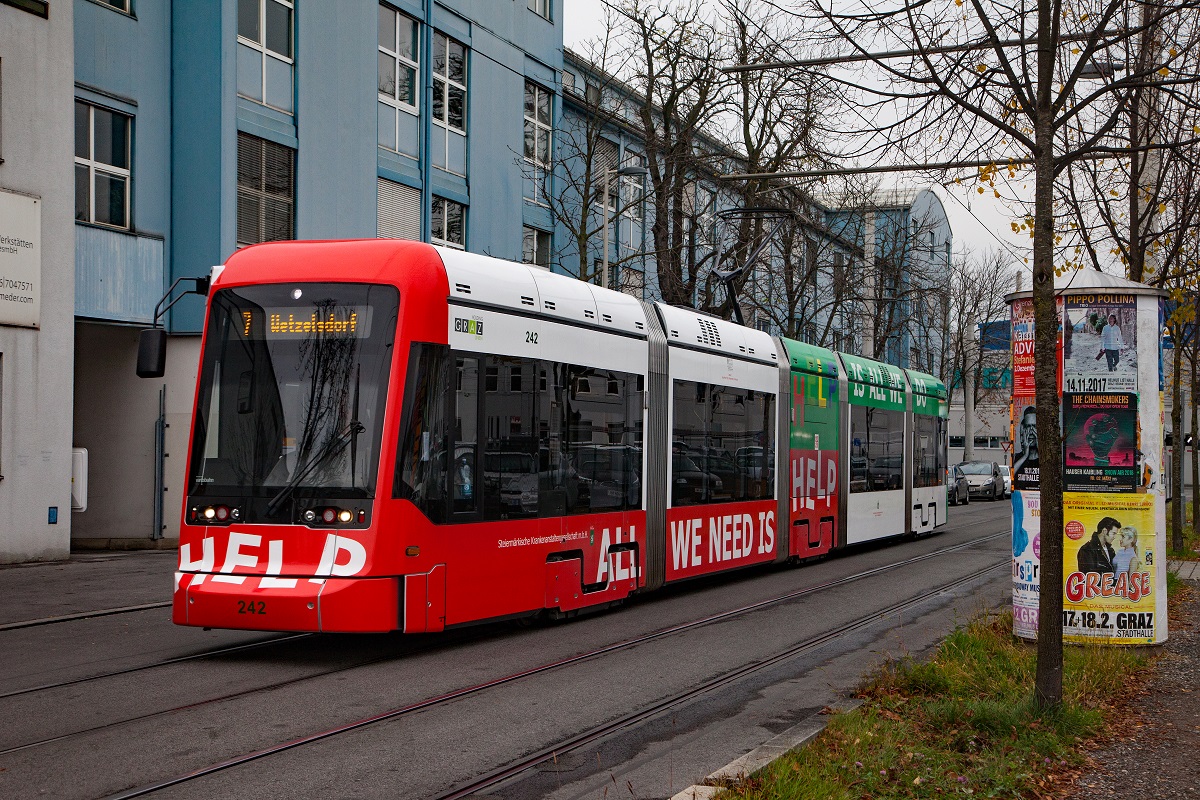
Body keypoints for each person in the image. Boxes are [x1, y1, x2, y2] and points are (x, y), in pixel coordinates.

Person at [1013, 406, 1038, 487]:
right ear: (1023, 430)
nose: (1031, 431)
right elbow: (1011, 475)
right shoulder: (1018, 458)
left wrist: (1039, 448)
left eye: (1034, 426)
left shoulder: (1048, 457)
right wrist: (1025, 456)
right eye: (1028, 426)